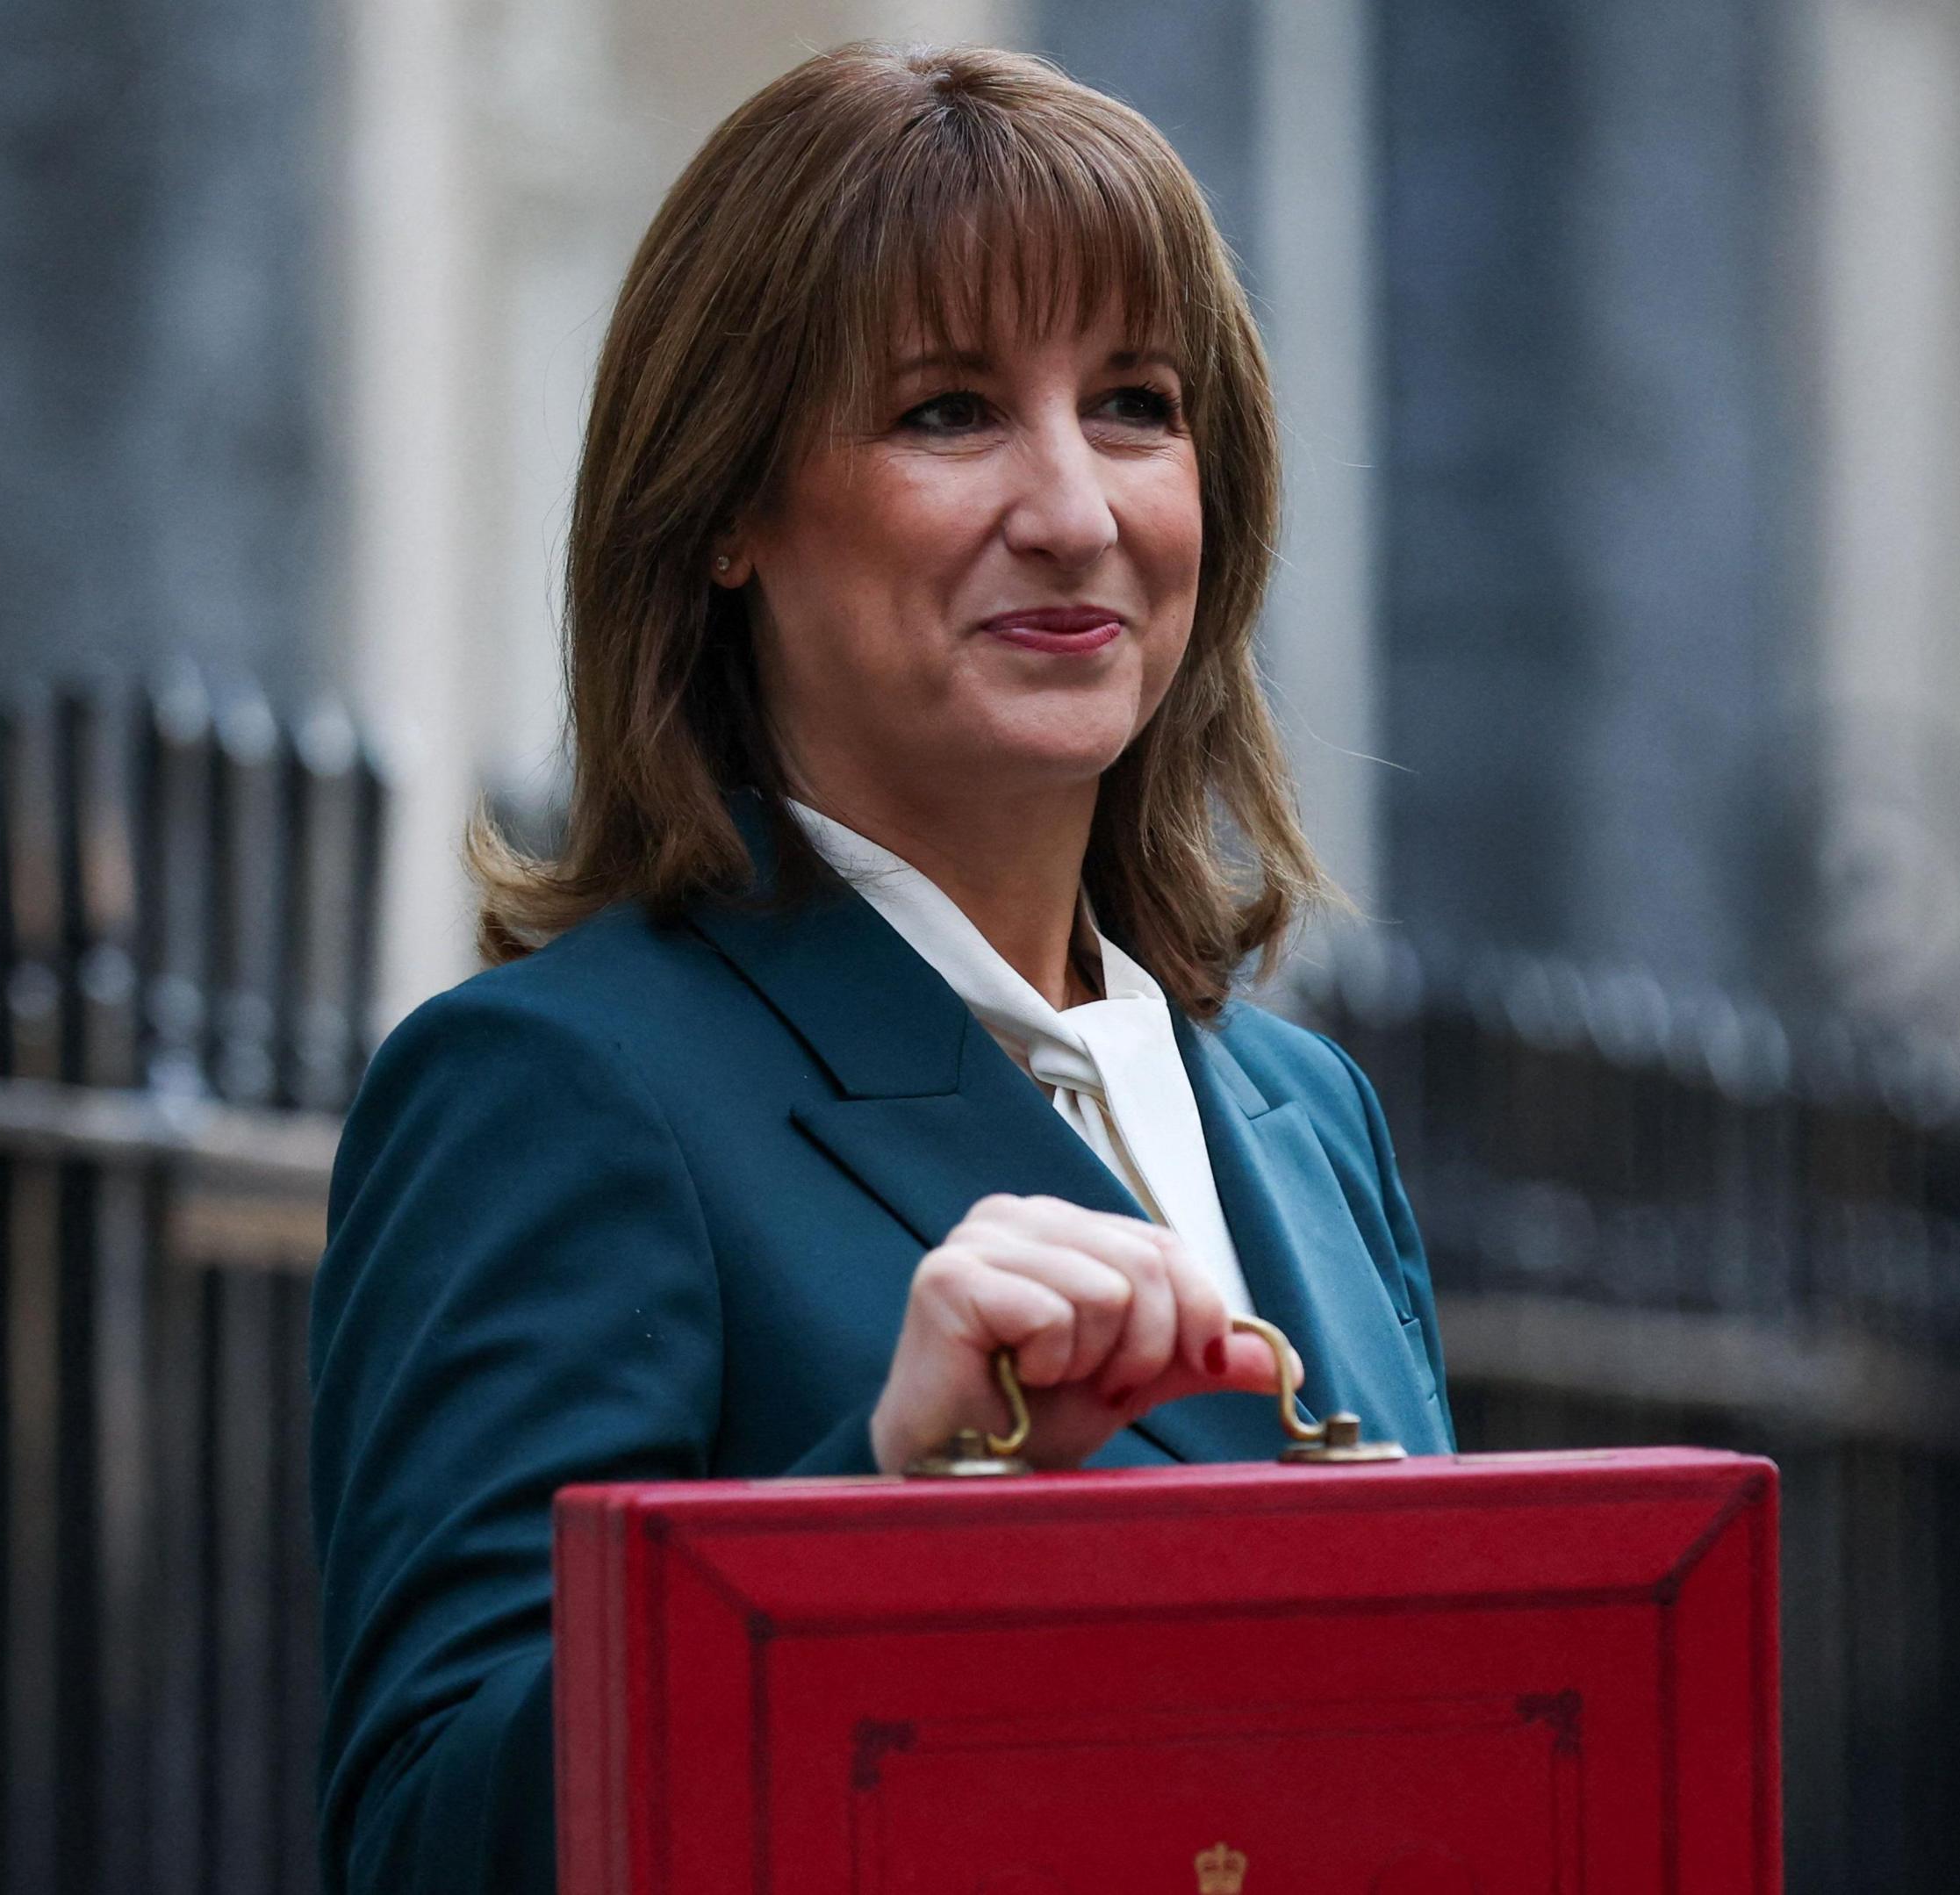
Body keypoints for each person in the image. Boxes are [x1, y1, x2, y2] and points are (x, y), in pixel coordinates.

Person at [306, 43, 1456, 1895]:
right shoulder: (554, 1085)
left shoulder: (1310, 1118)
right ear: (728, 512)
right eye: (947, 412)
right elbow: (429, 1840)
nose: (1075, 508)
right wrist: (878, 1498)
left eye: (1138, 405)